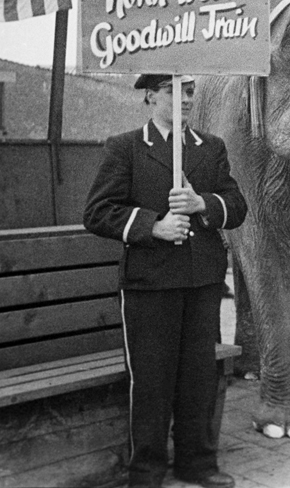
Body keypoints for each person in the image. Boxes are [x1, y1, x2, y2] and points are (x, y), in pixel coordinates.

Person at [84, 75, 247, 488]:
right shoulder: (126, 147)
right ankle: (147, 471)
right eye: (176, 90)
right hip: (149, 284)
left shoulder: (210, 148)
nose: (186, 99)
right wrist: (152, 226)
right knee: (152, 380)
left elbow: (237, 206)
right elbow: (98, 212)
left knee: (198, 376)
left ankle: (197, 463)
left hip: (201, 281)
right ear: (151, 96)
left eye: (190, 91)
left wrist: (202, 204)